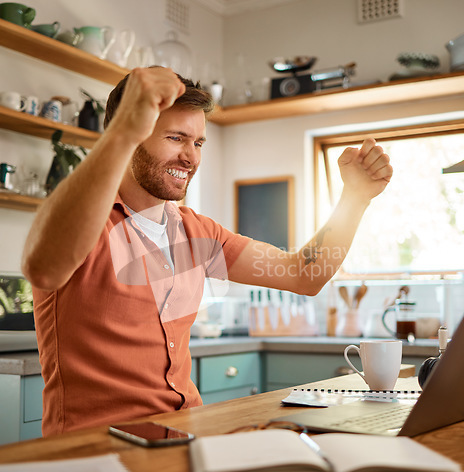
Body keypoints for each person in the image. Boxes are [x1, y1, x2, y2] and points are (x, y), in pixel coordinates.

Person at [22, 66, 393, 437]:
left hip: (185, 438)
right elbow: (44, 269)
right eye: (175, 138)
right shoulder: (86, 222)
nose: (190, 157)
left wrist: (355, 197)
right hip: (97, 450)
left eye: (197, 143)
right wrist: (122, 130)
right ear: (130, 132)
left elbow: (304, 275)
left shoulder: (196, 232)